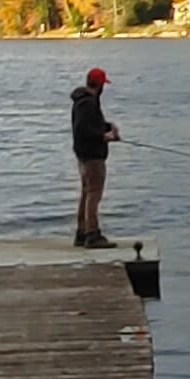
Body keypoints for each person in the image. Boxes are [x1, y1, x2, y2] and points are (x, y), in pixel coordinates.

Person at [70, 67, 119, 247]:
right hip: (92, 155)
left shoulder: (82, 101)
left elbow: (90, 124)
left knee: (86, 193)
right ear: (99, 85)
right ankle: (92, 235)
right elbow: (83, 129)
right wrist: (103, 136)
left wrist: (108, 126)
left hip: (83, 153)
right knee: (94, 194)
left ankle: (82, 232)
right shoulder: (88, 103)